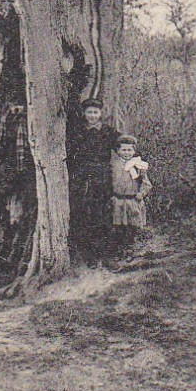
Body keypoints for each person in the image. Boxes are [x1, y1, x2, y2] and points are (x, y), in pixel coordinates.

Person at [66, 98, 120, 266]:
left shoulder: (108, 131)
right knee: (84, 214)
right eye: (89, 112)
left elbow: (123, 147)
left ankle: (105, 254)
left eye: (95, 112)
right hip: (83, 177)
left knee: (103, 214)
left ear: (101, 113)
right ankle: (88, 255)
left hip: (102, 177)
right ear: (84, 113)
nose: (92, 116)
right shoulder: (77, 131)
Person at [109, 135, 152, 259]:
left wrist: (141, 194)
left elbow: (147, 183)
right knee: (118, 228)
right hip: (118, 201)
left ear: (134, 151)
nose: (126, 153)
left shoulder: (138, 166)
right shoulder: (113, 165)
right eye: (123, 150)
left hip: (133, 201)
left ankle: (130, 252)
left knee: (131, 229)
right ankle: (118, 253)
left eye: (129, 150)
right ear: (118, 151)